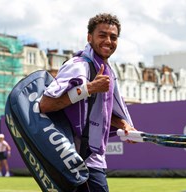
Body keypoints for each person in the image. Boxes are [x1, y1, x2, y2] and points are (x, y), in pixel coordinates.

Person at [39, 13, 137, 192]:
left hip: (93, 159)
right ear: (89, 37)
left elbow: (104, 114)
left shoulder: (109, 72)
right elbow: (46, 104)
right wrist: (88, 88)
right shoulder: (77, 66)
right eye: (102, 35)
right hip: (72, 158)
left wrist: (124, 124)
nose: (108, 40)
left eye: (113, 37)